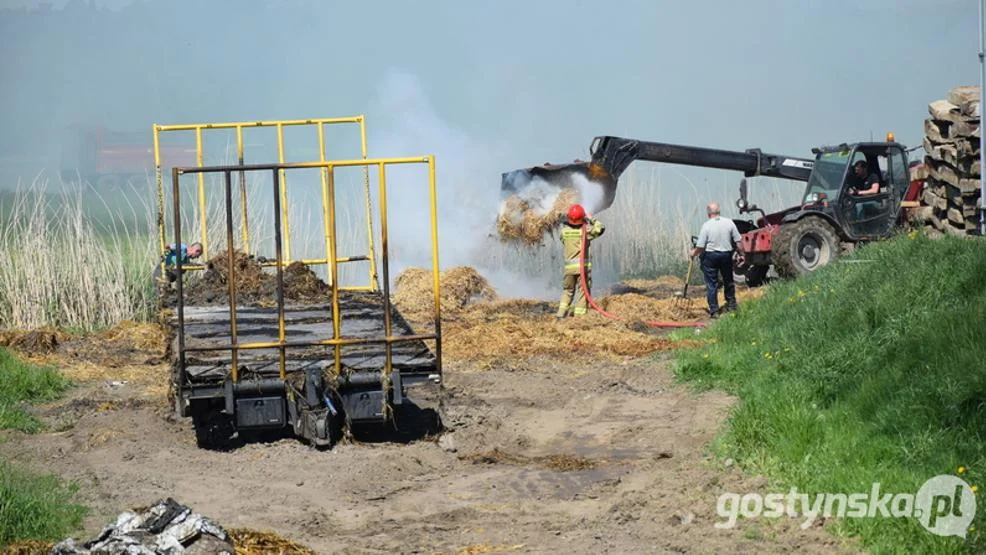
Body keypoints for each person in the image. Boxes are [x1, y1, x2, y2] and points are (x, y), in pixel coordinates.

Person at [690, 202, 741, 318]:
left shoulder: (706, 225)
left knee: (711, 284)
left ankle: (714, 311)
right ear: (719, 211)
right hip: (726, 255)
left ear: (708, 213)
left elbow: (701, 246)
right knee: (728, 280)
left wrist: (693, 253)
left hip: (711, 256)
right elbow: (738, 241)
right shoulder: (729, 222)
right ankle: (731, 305)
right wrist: (741, 253)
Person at [557, 204, 605, 318]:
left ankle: (560, 314)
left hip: (568, 270)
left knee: (567, 291)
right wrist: (590, 218)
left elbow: (563, 237)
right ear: (582, 218)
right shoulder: (586, 232)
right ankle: (580, 317)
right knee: (583, 292)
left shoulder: (564, 232)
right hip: (582, 269)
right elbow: (600, 228)